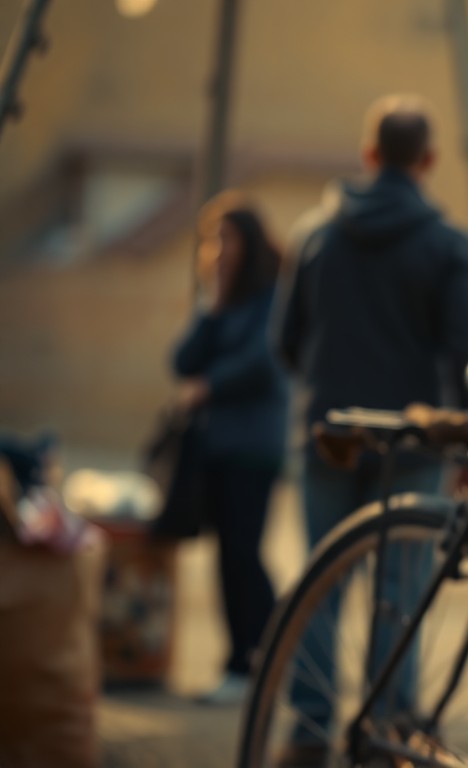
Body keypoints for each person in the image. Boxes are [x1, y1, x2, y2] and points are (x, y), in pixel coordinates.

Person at [273, 94, 468, 760]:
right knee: (399, 595)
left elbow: (286, 343)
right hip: (413, 443)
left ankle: (306, 732)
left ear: (368, 154)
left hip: (331, 435)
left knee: (322, 583)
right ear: (429, 160)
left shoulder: (315, 234)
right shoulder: (448, 244)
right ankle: (385, 734)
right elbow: (467, 353)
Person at [171, 192, 288, 705]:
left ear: (251, 241)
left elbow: (264, 362)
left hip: (254, 447)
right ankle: (244, 659)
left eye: (228, 237)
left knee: (243, 554)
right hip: (215, 448)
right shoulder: (223, 301)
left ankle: (262, 656)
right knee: (227, 556)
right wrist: (210, 302)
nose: (220, 248)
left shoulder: (271, 298)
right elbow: (181, 360)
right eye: (214, 239)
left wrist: (210, 386)